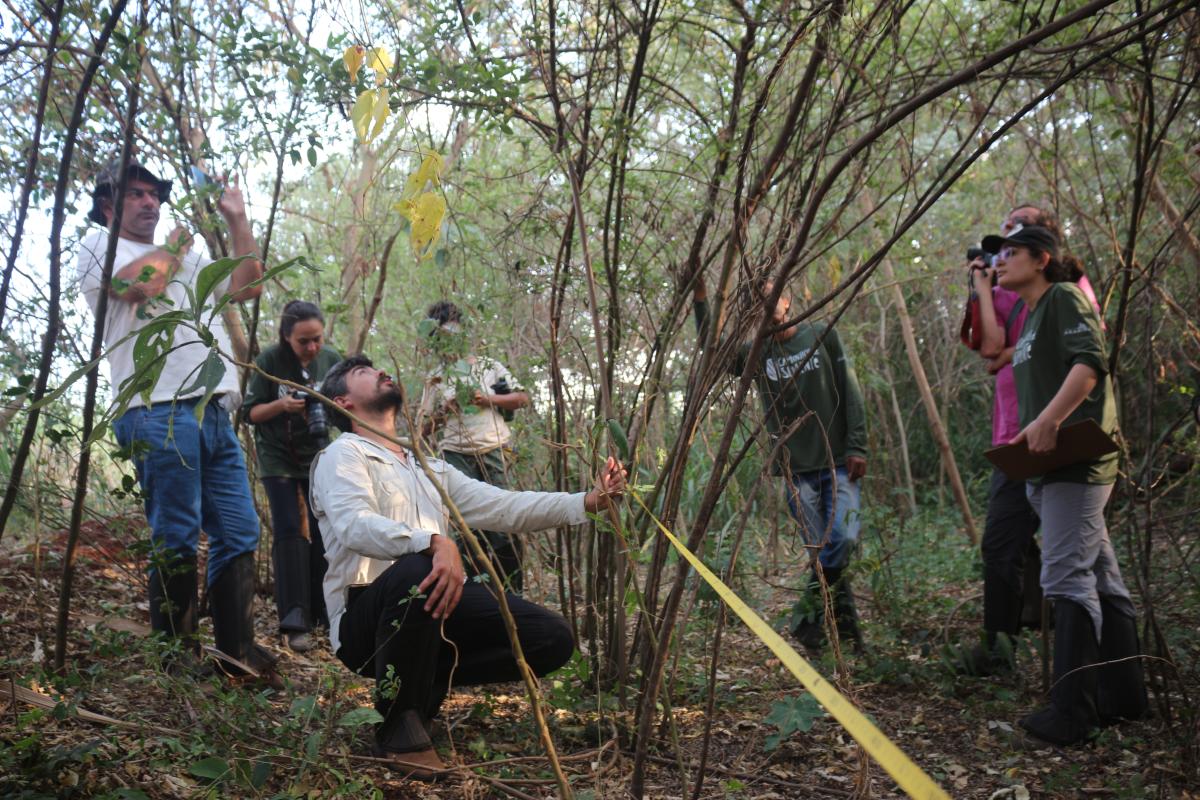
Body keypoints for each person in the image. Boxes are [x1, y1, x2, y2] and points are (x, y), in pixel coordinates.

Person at [310, 355, 625, 777]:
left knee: (551, 639)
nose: (384, 371)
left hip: (430, 602)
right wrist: (434, 541)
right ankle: (398, 725)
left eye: (381, 368)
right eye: (365, 373)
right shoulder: (342, 455)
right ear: (343, 401)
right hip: (364, 620)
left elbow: (505, 507)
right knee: (418, 568)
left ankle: (421, 682)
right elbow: (353, 526)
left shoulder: (428, 467)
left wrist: (586, 502)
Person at [75, 157, 277, 680]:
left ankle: (237, 656)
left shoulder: (188, 255)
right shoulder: (99, 245)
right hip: (154, 407)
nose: (149, 203)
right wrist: (174, 246)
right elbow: (136, 287)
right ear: (108, 206)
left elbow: (248, 288)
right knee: (177, 532)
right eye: (137, 195)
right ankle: (176, 659)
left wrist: (236, 219)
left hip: (213, 405)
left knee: (239, 529)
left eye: (154, 195)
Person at [984, 224, 1147, 745]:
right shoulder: (1029, 317)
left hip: (1076, 463)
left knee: (1064, 578)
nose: (999, 262)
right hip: (1046, 468)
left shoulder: (1064, 298)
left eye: (1011, 253)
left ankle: (1072, 714)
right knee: (1101, 577)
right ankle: (1125, 698)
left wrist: (1052, 419)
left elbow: (1089, 365)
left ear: (1042, 258)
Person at [693, 276, 868, 651]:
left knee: (843, 540)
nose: (765, 303)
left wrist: (858, 445)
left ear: (787, 299)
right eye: (756, 300)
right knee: (824, 558)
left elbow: (850, 388)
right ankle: (845, 638)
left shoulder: (822, 335)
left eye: (771, 295)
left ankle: (806, 620)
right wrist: (701, 299)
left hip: (837, 461)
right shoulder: (757, 353)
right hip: (794, 472)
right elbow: (713, 353)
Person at [244, 301, 341, 652]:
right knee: (288, 529)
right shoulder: (270, 361)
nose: (312, 347)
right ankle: (294, 617)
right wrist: (281, 406)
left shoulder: (331, 359)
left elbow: (344, 403)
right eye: (304, 341)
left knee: (322, 531)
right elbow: (250, 413)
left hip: (318, 455)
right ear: (287, 337)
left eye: (317, 339)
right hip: (278, 458)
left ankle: (324, 614)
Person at [419, 301, 532, 592]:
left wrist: (487, 400)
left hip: (493, 451)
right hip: (455, 456)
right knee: (465, 531)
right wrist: (446, 409)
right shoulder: (435, 377)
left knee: (503, 524)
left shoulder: (488, 366)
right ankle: (474, 595)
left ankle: (512, 594)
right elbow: (423, 429)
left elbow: (521, 398)